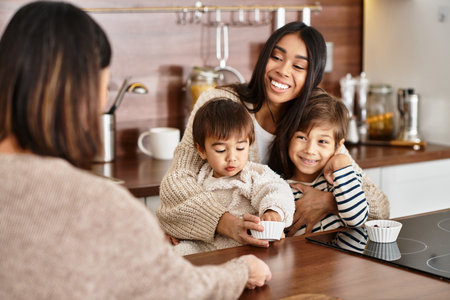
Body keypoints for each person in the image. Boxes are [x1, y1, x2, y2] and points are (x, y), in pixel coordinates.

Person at [0, 2, 272, 298]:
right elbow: (179, 290)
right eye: (105, 87)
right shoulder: (103, 207)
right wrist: (241, 271)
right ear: (84, 94)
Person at [157, 21, 389, 246]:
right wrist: (223, 224)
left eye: (298, 66)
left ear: (313, 77)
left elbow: (379, 207)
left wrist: (330, 201)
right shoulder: (220, 103)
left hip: (289, 258)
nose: (282, 71)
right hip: (222, 246)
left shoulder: (313, 119)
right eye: (276, 57)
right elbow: (176, 184)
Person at [173, 98, 295, 255]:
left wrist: (273, 210)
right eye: (221, 150)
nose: (232, 157)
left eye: (240, 148)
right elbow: (185, 209)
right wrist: (175, 228)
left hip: (247, 246)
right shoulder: (199, 178)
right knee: (174, 254)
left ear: (249, 145)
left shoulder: (253, 174)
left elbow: (276, 189)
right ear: (201, 150)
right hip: (206, 248)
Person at [270, 93, 368, 236]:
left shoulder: (343, 177)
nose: (310, 150)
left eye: (322, 141)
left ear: (337, 146)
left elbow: (356, 219)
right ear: (289, 137)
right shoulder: (277, 187)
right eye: (302, 137)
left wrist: (341, 161)